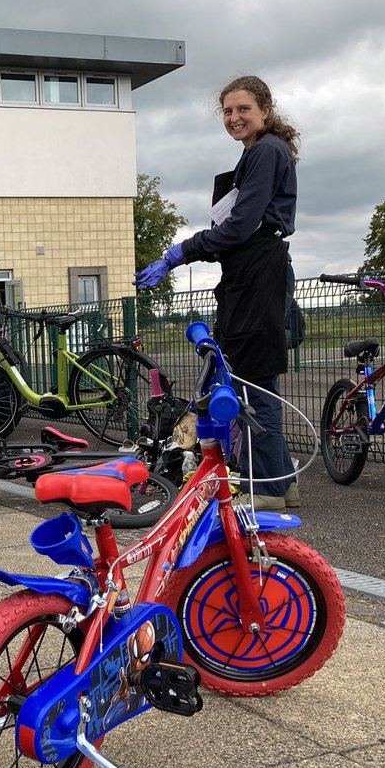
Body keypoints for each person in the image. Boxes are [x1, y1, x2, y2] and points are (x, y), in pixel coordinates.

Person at [135, 75, 299, 511]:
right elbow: (235, 229)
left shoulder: (266, 151)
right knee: (251, 379)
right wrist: (187, 253)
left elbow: (240, 226)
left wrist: (181, 252)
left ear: (265, 110)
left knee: (253, 384)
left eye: (243, 109)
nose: (234, 117)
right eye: (227, 111)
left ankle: (268, 490)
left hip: (258, 274)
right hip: (250, 273)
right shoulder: (258, 152)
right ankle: (282, 481)